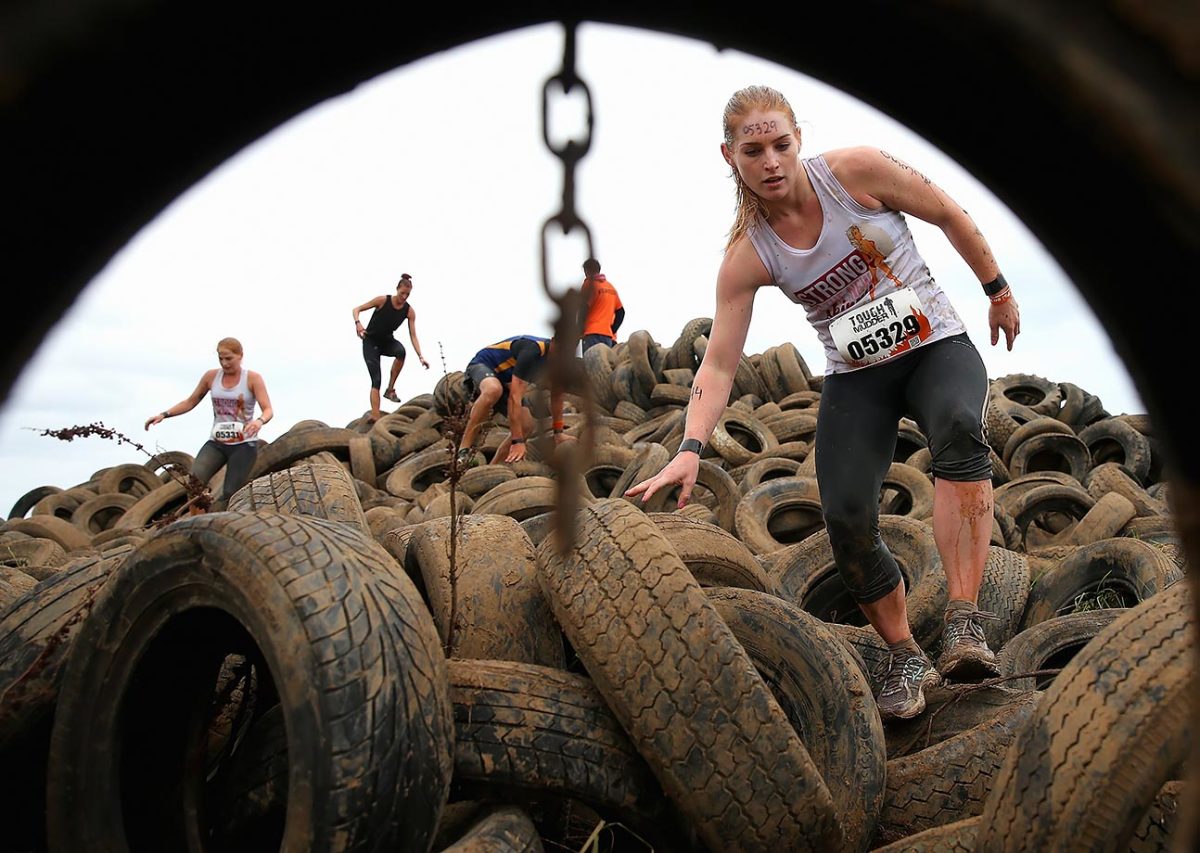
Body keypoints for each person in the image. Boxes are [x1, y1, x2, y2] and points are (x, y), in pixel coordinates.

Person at [626, 85, 1021, 721]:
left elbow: (946, 211)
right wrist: (689, 449)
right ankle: (904, 654)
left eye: (781, 144)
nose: (771, 161)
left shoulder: (855, 173)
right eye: (754, 150)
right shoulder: (747, 256)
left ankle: (964, 621)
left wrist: (996, 288)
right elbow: (721, 360)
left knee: (956, 429)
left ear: (797, 140)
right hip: (858, 376)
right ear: (730, 157)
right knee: (842, 514)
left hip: (935, 347)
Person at [144, 337, 275, 511]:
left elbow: (268, 410)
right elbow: (190, 401)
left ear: (240, 356)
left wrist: (259, 421)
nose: (224, 363)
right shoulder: (211, 377)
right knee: (194, 483)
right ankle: (195, 524)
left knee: (230, 492)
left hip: (243, 444)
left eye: (229, 358)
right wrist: (164, 414)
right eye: (221, 358)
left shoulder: (252, 379)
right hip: (217, 442)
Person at [459, 334, 570, 464]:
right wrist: (517, 442)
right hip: (484, 365)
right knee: (493, 390)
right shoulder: (533, 350)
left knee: (526, 425)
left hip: (506, 380)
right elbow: (514, 397)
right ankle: (463, 449)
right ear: (553, 341)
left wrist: (558, 433)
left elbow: (556, 397)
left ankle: (493, 467)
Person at [352, 273, 429, 422]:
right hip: (371, 342)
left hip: (387, 341)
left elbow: (413, 335)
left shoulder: (409, 311)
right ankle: (375, 416)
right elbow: (356, 309)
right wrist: (358, 323)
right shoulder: (382, 300)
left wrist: (420, 356)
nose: (404, 297)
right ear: (397, 289)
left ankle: (390, 389)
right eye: (402, 293)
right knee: (376, 379)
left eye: (408, 294)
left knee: (401, 352)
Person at [579, 258, 625, 352]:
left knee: (590, 365)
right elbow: (621, 312)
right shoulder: (610, 287)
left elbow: (583, 308)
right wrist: (612, 330)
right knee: (603, 364)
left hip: (591, 334)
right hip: (607, 337)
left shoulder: (589, 284)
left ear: (587, 271)